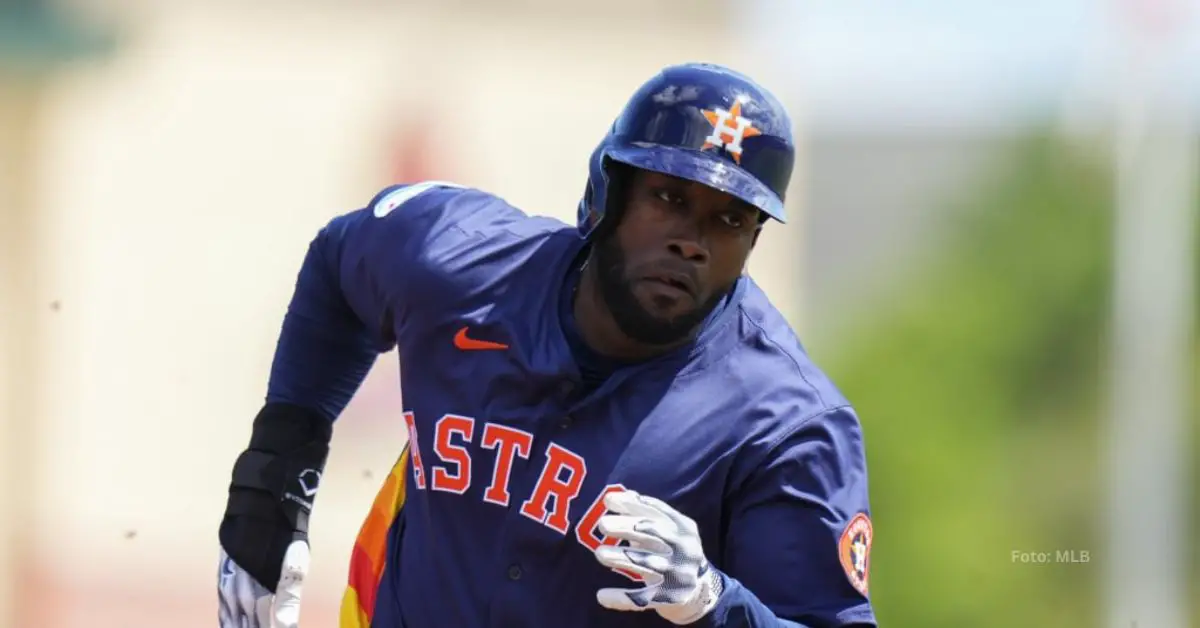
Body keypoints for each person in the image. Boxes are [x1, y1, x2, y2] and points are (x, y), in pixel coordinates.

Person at [217, 62, 877, 628]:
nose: (691, 239)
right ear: (606, 193)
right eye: (669, 197)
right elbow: (342, 258)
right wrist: (275, 478)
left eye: (729, 219)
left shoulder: (787, 421)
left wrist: (715, 600)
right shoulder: (463, 262)